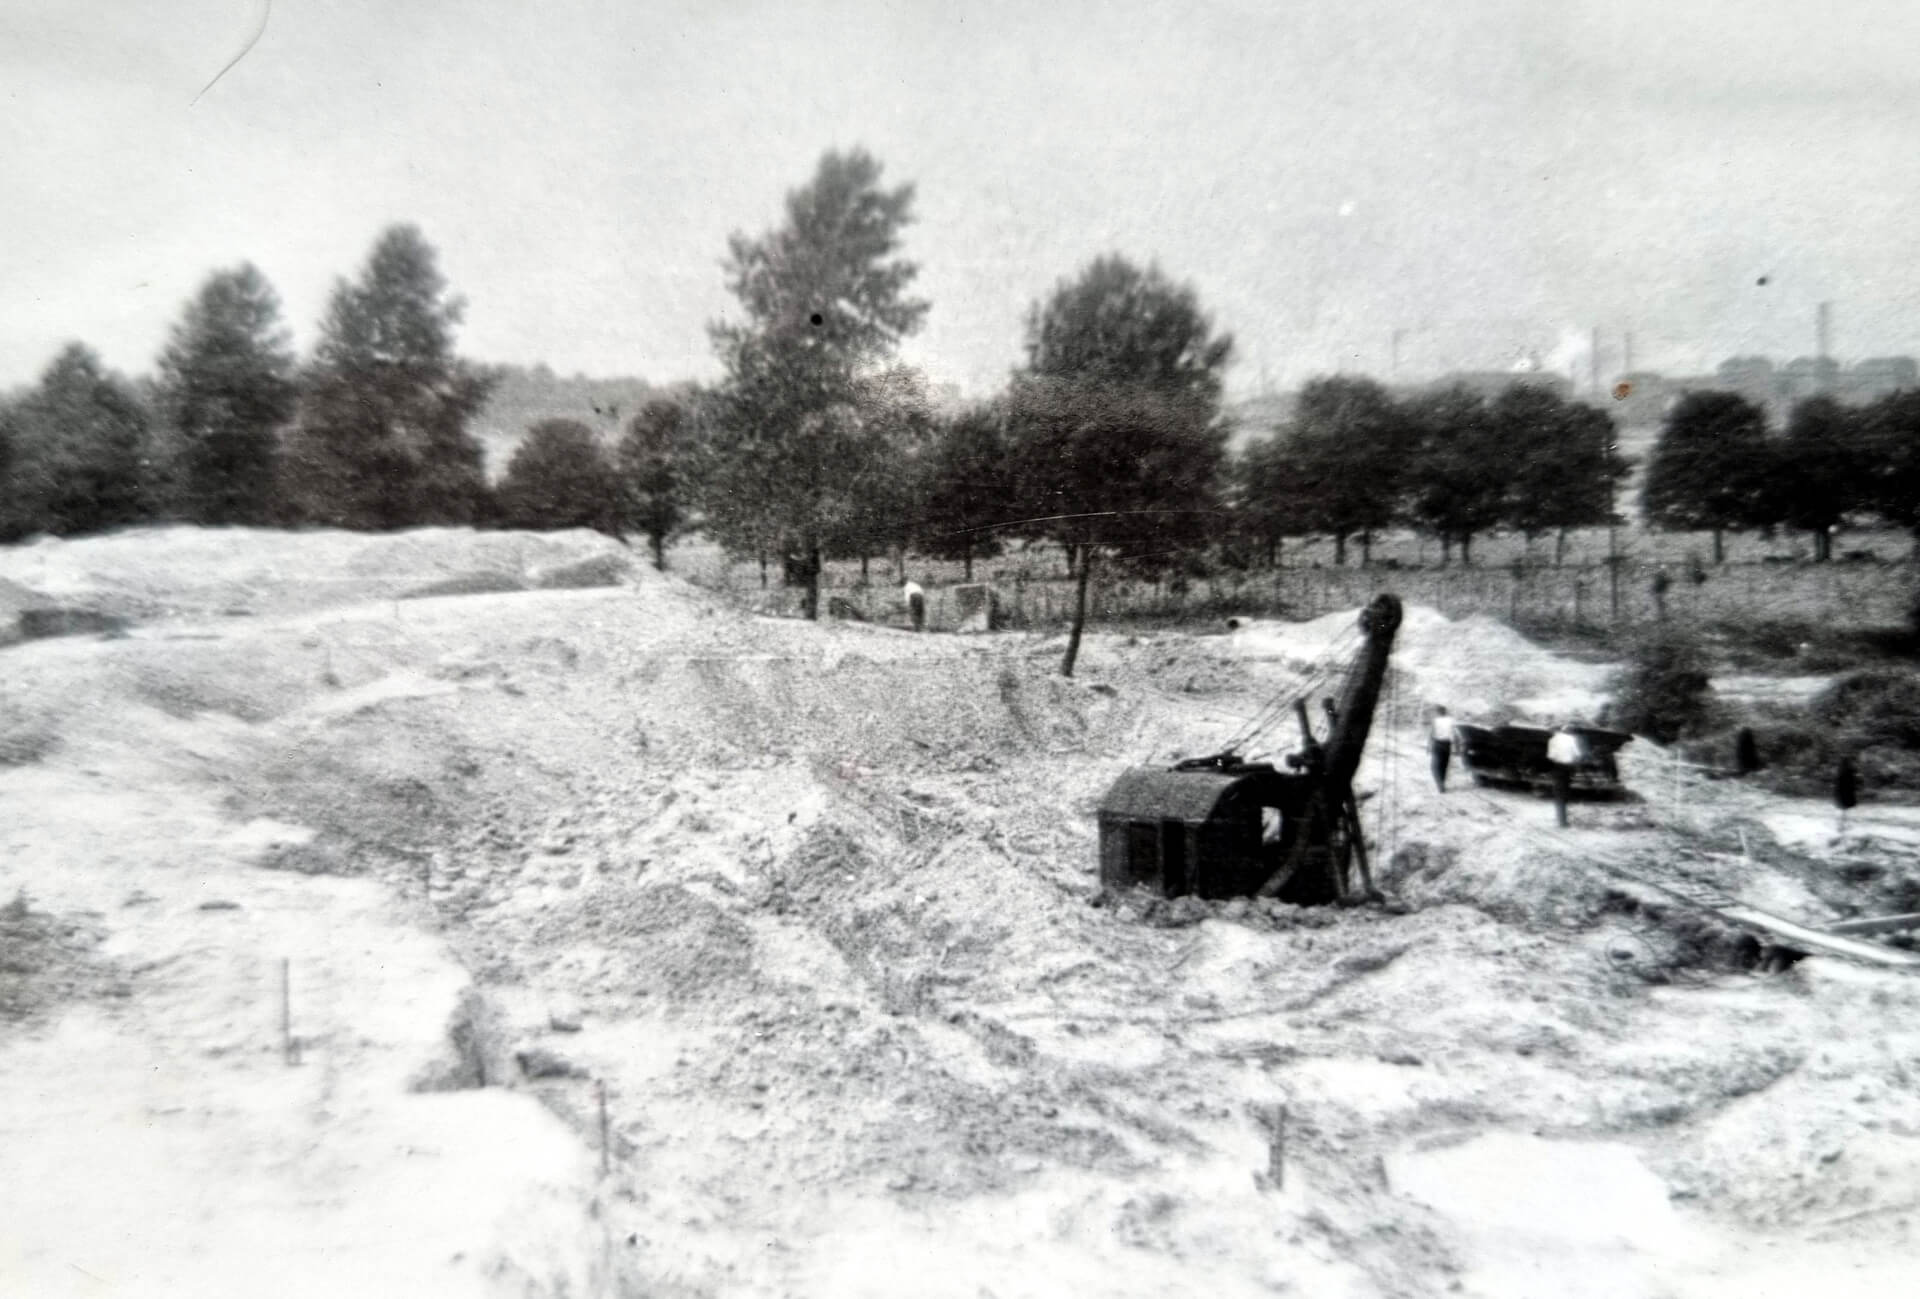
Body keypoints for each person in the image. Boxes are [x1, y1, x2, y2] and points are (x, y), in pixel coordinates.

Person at [1547, 721, 1584, 828]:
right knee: (1565, 792)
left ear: (1554, 731)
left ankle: (1561, 822)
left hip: (1559, 767)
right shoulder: (1572, 739)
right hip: (1569, 767)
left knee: (1558, 794)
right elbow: (1578, 755)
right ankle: (1564, 819)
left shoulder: (1553, 740)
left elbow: (1551, 756)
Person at [1429, 706, 1455, 792]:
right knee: (1444, 765)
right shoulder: (1451, 721)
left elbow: (1431, 734)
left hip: (1438, 743)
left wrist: (1429, 745)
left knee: (1434, 766)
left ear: (1438, 712)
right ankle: (1442, 783)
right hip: (1447, 744)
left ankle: (1440, 785)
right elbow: (1453, 734)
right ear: (1445, 712)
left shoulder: (1435, 721)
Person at [1835, 754, 1859, 833]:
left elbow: (1838, 784)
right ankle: (1842, 826)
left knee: (1843, 811)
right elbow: (1853, 783)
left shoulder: (1840, 771)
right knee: (1845, 811)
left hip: (1841, 794)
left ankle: (1841, 826)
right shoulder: (1849, 771)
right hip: (1847, 794)